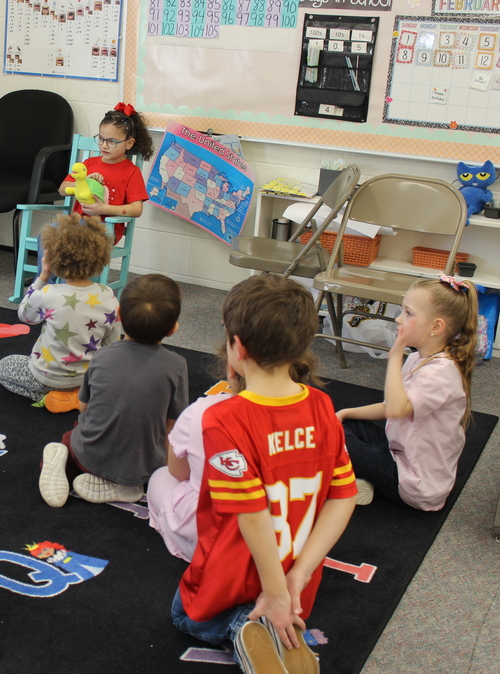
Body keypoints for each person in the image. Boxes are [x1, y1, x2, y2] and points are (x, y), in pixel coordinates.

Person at [173, 274, 357, 672]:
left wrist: (273, 593)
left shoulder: (224, 418)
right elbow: (344, 496)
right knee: (270, 595)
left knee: (182, 614)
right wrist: (299, 576)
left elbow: (252, 515)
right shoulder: (324, 406)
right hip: (297, 581)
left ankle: (248, 625)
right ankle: (281, 623)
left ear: (236, 347)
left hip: (233, 575)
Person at [148, 349, 322, 562]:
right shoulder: (319, 411)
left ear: (231, 369)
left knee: (161, 476)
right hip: (289, 537)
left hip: (217, 541)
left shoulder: (203, 413)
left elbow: (178, 473)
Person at [38, 274, 188, 507]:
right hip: (138, 467)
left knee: (74, 435)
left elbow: (84, 406)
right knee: (156, 455)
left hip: (87, 455)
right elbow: (172, 426)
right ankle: (125, 486)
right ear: (173, 329)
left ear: (118, 315)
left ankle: (62, 461)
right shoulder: (177, 366)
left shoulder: (102, 355)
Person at [335, 274, 477, 511]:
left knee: (330, 439)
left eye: (409, 313)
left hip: (414, 484)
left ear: (436, 327)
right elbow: (389, 404)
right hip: (397, 452)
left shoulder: (439, 374)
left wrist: (394, 356)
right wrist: (346, 412)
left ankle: (349, 480)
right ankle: (365, 481)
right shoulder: (417, 358)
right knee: (340, 423)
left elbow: (395, 408)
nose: (399, 319)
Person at [0, 214, 120, 407]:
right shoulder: (108, 294)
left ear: (53, 259)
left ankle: (45, 398)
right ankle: (77, 396)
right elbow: (113, 342)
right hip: (87, 380)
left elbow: (24, 315)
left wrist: (43, 277)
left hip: (45, 377)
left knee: (3, 367)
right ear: (100, 258)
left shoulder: (47, 293)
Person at [58, 102, 152, 245]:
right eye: (101, 139)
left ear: (129, 143)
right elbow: (62, 190)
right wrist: (83, 182)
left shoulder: (131, 172)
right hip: (76, 223)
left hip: (105, 227)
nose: (104, 145)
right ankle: (49, 267)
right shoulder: (89, 164)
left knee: (73, 241)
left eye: (112, 141)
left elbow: (136, 209)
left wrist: (104, 209)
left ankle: (57, 266)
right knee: (48, 238)